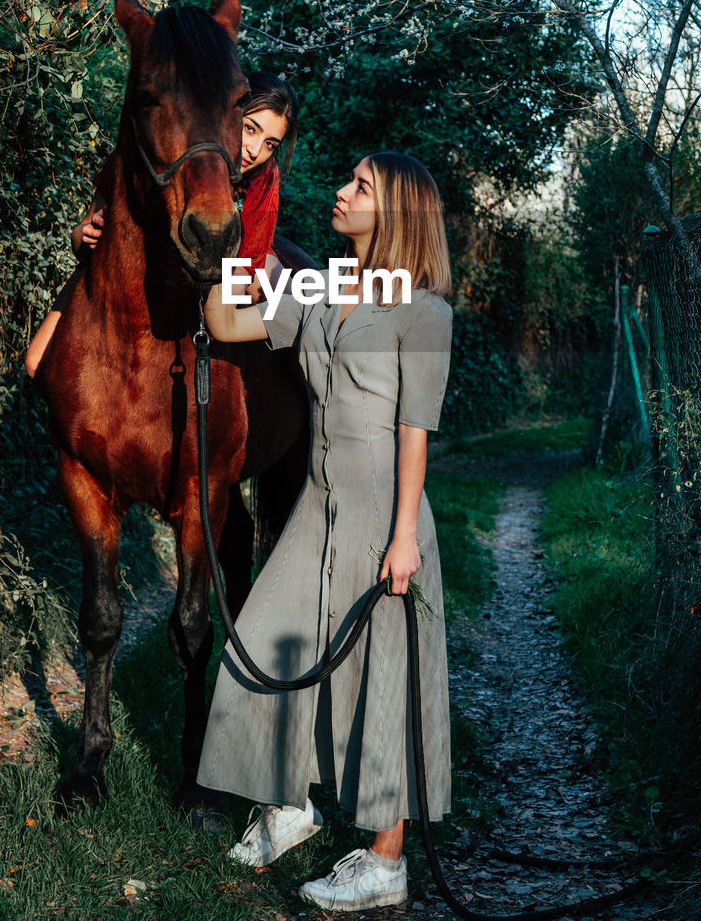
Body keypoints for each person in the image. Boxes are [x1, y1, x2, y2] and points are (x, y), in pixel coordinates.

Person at [197, 151, 453, 913]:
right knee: (262, 638)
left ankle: (384, 862)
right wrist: (227, 251)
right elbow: (221, 320)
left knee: (385, 677)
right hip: (316, 498)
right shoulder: (324, 285)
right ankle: (289, 806)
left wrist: (403, 536)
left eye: (360, 187)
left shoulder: (423, 309)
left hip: (385, 509)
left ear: (396, 213)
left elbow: (415, 428)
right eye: (348, 181)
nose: (340, 193)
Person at [24, 70, 299, 378]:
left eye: (270, 143)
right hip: (125, 268)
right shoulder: (164, 147)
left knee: (280, 291)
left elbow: (249, 262)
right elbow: (81, 236)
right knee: (37, 362)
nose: (255, 150)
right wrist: (86, 236)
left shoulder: (264, 176)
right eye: (250, 128)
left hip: (216, 272)